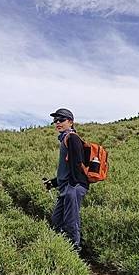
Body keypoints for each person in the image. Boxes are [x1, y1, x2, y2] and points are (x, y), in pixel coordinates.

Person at [44, 108, 88, 253]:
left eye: (61, 120)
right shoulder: (65, 139)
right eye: (55, 121)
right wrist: (54, 182)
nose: (57, 123)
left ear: (70, 122)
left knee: (71, 221)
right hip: (67, 187)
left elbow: (78, 164)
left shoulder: (72, 138)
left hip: (73, 187)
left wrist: (72, 185)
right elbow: (67, 168)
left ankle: (74, 250)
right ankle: (61, 248)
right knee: (57, 220)